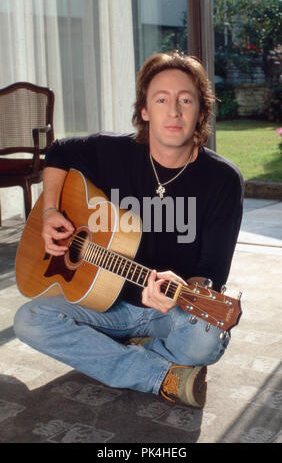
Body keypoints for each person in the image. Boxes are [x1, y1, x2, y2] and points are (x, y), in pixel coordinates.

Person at [14, 51, 243, 408]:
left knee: (206, 339)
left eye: (186, 100)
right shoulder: (113, 152)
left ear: (201, 112)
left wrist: (184, 292)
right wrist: (48, 212)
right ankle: (160, 374)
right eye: (162, 99)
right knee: (29, 319)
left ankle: (117, 353)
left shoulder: (223, 180)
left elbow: (210, 272)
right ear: (145, 110)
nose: (174, 111)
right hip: (105, 304)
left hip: (171, 312)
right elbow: (58, 152)